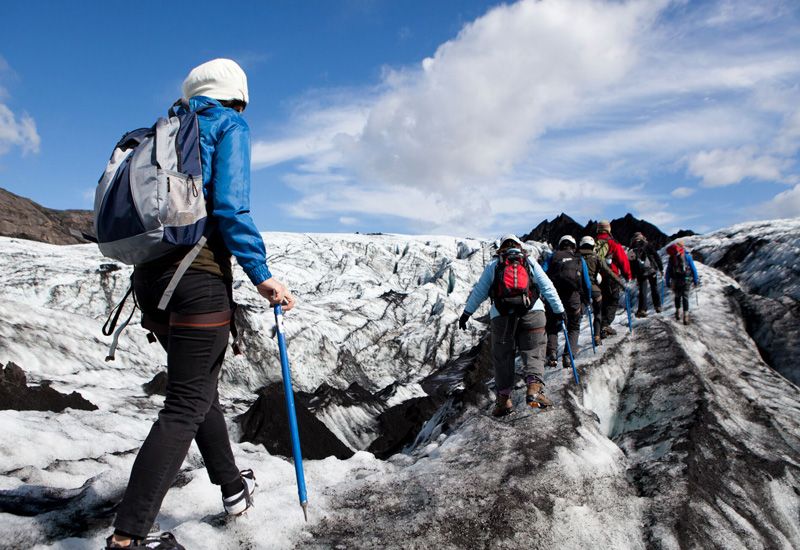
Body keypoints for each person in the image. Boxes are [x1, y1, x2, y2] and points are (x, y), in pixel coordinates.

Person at [107, 59, 296, 550]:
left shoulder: (165, 133)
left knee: (199, 391)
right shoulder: (228, 124)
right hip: (197, 282)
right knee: (187, 402)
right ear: (238, 93)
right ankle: (130, 537)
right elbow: (231, 208)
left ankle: (233, 490)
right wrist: (263, 275)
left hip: (150, 282)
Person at [459, 234, 564, 416]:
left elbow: (480, 292)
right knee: (534, 351)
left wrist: (467, 313)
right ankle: (534, 390)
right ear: (519, 245)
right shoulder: (528, 261)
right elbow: (547, 286)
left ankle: (503, 402)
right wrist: (559, 309)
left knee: (503, 357)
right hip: (533, 312)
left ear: (501, 248)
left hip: (502, 317)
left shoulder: (495, 265)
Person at [543, 235, 587, 369]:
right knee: (573, 327)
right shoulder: (579, 259)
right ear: (573, 246)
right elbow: (587, 282)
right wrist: (587, 298)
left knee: (551, 326)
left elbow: (542, 275)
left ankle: (551, 353)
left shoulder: (552, 257)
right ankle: (568, 356)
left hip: (554, 297)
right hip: (573, 298)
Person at [578, 236, 621, 346]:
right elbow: (608, 272)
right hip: (595, 289)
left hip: (579, 290)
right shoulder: (596, 257)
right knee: (598, 313)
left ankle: (573, 342)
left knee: (577, 316)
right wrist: (620, 283)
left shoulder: (576, 257)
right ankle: (597, 337)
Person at [594, 220, 631, 337]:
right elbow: (623, 260)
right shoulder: (613, 243)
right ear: (608, 229)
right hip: (612, 277)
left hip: (596, 277)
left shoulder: (593, 243)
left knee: (601, 302)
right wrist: (627, 275)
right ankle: (605, 325)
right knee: (613, 301)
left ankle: (599, 328)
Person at [664, 240, 699, 325]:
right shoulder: (687, 256)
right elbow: (693, 269)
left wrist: (667, 280)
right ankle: (686, 316)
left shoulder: (672, 257)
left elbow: (668, 270)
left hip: (675, 279)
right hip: (686, 279)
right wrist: (695, 279)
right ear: (682, 247)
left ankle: (677, 312)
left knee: (677, 296)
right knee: (685, 296)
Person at [629, 232, 663, 318]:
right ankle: (658, 306)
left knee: (643, 290)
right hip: (651, 270)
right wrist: (660, 268)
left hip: (641, 272)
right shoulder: (647, 244)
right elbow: (656, 255)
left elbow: (631, 263)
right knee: (654, 287)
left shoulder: (632, 248)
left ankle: (642, 310)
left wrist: (633, 275)